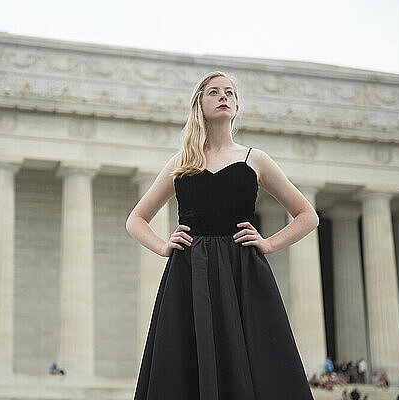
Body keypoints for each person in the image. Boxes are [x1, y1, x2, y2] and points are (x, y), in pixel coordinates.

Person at [127, 71, 319, 399]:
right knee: (186, 361)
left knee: (255, 361)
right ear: (200, 104)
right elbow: (137, 219)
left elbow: (307, 215)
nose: (223, 97)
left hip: (242, 270)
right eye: (214, 92)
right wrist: (163, 246)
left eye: (229, 92)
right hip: (190, 273)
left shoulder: (254, 159)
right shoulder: (182, 162)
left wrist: (269, 243)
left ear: (237, 107)